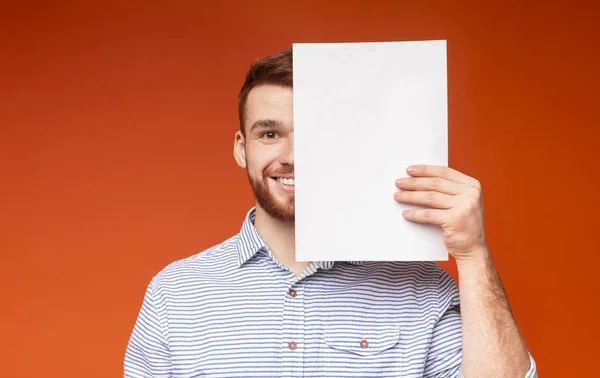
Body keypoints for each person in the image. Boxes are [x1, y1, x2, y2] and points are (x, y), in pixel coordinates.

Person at [124, 47, 537, 378]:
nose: (290, 156)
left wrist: (473, 253)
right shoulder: (175, 294)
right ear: (240, 148)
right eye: (269, 134)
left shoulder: (421, 290)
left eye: (313, 135)